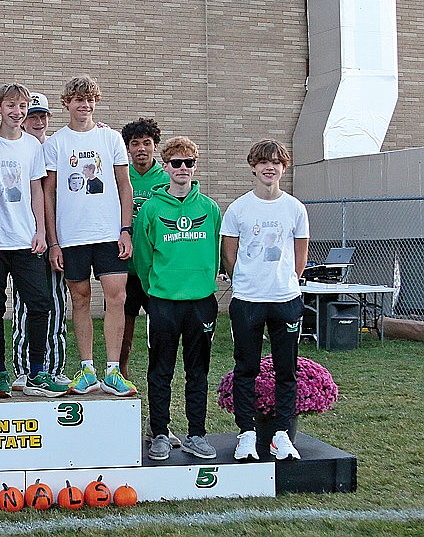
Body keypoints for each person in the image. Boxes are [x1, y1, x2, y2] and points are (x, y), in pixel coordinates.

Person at [42, 75, 137, 397]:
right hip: (72, 237)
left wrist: (125, 230)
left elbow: (125, 186)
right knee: (80, 300)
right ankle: (86, 368)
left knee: (117, 298)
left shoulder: (110, 139)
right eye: (79, 100)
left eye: (90, 100)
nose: (85, 105)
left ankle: (112, 370)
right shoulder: (55, 143)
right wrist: (54, 242)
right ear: (67, 103)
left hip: (109, 233)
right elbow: (49, 193)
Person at [132, 136, 221, 461]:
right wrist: (157, 287)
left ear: (195, 167)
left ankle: (197, 434)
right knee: (160, 370)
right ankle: (159, 433)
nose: (183, 169)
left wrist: (203, 281)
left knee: (197, 371)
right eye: (176, 163)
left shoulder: (209, 208)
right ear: (166, 166)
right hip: (163, 302)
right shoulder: (152, 208)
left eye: (189, 163)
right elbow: (142, 258)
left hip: (201, 302)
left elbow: (215, 250)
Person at [221, 139, 308, 461]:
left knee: (287, 369)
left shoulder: (295, 208)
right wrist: (246, 279)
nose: (269, 167)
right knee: (247, 368)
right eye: (263, 162)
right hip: (247, 300)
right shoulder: (239, 208)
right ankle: (246, 432)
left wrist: (286, 281)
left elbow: (300, 254)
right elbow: (229, 254)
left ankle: (282, 434)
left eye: (276, 162)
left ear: (283, 168)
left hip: (285, 299)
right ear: (253, 167)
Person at [0, 83, 69, 398]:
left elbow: (37, 191)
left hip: (25, 240)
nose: (17, 113)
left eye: (22, 107)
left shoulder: (33, 147)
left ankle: (36, 372)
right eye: (11, 106)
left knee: (40, 304)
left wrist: (41, 232)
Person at [10, 92, 70, 390]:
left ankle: (53, 367)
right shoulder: (20, 147)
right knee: (26, 305)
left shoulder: (56, 148)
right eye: (32, 116)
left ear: (48, 118)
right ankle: (23, 368)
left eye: (41, 116)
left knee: (56, 304)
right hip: (29, 239)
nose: (37, 121)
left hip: (58, 237)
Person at [120, 118, 167, 380]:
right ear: (128, 148)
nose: (141, 149)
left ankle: (158, 372)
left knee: (159, 327)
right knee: (123, 326)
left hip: (155, 268)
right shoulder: (121, 174)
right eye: (135, 143)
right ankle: (121, 369)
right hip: (125, 266)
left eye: (147, 143)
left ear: (155, 146)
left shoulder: (164, 179)